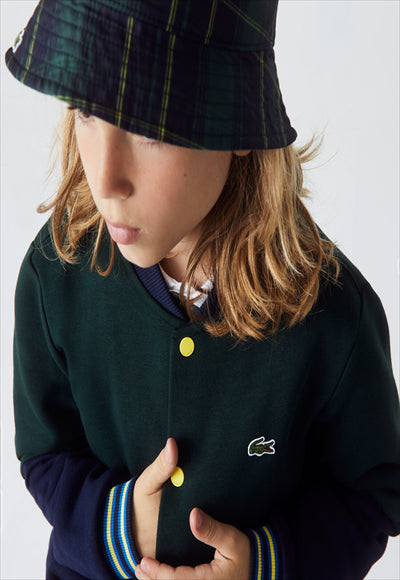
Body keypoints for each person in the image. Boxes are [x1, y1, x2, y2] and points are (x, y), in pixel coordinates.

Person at [5, 1, 400, 579]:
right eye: (85, 112)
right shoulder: (55, 270)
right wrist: (119, 526)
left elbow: (372, 495)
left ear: (240, 124)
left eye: (147, 127)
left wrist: (266, 564)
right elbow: (45, 451)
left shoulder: (334, 317)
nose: (106, 179)